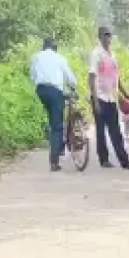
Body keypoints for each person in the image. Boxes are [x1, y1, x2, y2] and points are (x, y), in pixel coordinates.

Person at [88, 26, 129, 170]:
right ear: (99, 37)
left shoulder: (112, 55)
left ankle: (125, 161)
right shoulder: (96, 54)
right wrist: (95, 100)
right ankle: (104, 159)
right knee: (101, 131)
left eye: (109, 35)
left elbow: (116, 77)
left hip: (111, 97)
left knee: (115, 131)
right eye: (105, 35)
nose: (107, 38)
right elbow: (92, 77)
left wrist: (125, 93)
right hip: (100, 97)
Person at [29, 37, 76, 172]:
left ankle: (58, 145)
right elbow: (70, 78)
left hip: (41, 91)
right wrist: (74, 86)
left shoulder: (36, 57)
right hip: (55, 91)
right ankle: (54, 161)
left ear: (43, 47)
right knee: (57, 126)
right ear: (55, 48)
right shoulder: (59, 58)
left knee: (53, 119)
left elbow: (32, 76)